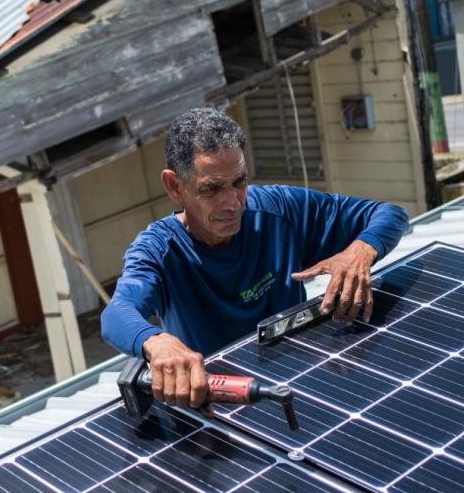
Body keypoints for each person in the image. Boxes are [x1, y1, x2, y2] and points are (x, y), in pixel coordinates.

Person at [100, 107, 408, 412]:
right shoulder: (159, 249)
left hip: (296, 387)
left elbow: (389, 214)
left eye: (239, 182)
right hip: (222, 406)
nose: (232, 203)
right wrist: (157, 343)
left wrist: (360, 251)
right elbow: (116, 314)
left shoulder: (279, 211)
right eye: (212, 189)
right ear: (174, 186)